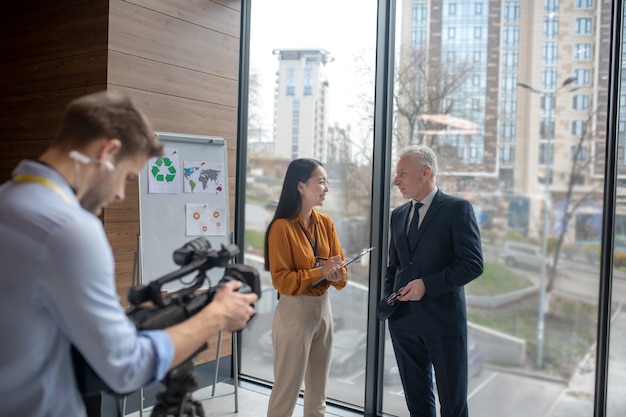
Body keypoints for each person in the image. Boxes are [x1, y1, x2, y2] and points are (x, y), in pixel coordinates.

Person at [0, 91, 258, 417]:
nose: (120, 193)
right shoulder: (70, 229)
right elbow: (126, 368)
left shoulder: (9, 200)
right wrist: (217, 315)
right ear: (108, 152)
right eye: (127, 177)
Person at [377, 145, 483, 417]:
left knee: (453, 405)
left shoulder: (457, 209)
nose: (396, 180)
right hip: (403, 322)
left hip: (443, 323)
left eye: (402, 173)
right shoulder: (397, 215)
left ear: (426, 172)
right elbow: (394, 266)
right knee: (417, 403)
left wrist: (427, 285)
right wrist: (390, 298)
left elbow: (472, 264)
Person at [264, 158, 347, 417]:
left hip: (324, 309)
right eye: (321, 182)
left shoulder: (326, 224)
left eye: (326, 182)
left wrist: (334, 274)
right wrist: (320, 271)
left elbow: (342, 276)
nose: (326, 188)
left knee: (318, 393)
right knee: (286, 391)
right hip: (295, 311)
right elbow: (282, 281)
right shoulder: (281, 228)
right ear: (300, 186)